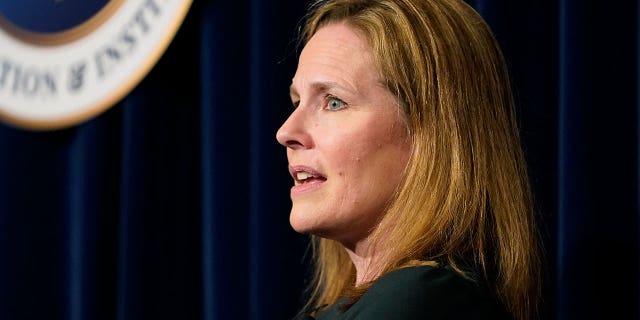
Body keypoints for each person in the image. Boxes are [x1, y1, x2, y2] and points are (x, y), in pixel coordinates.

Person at [276, 0, 541, 319]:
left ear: (432, 133)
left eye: (333, 102)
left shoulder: (423, 302)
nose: (286, 131)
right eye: (297, 100)